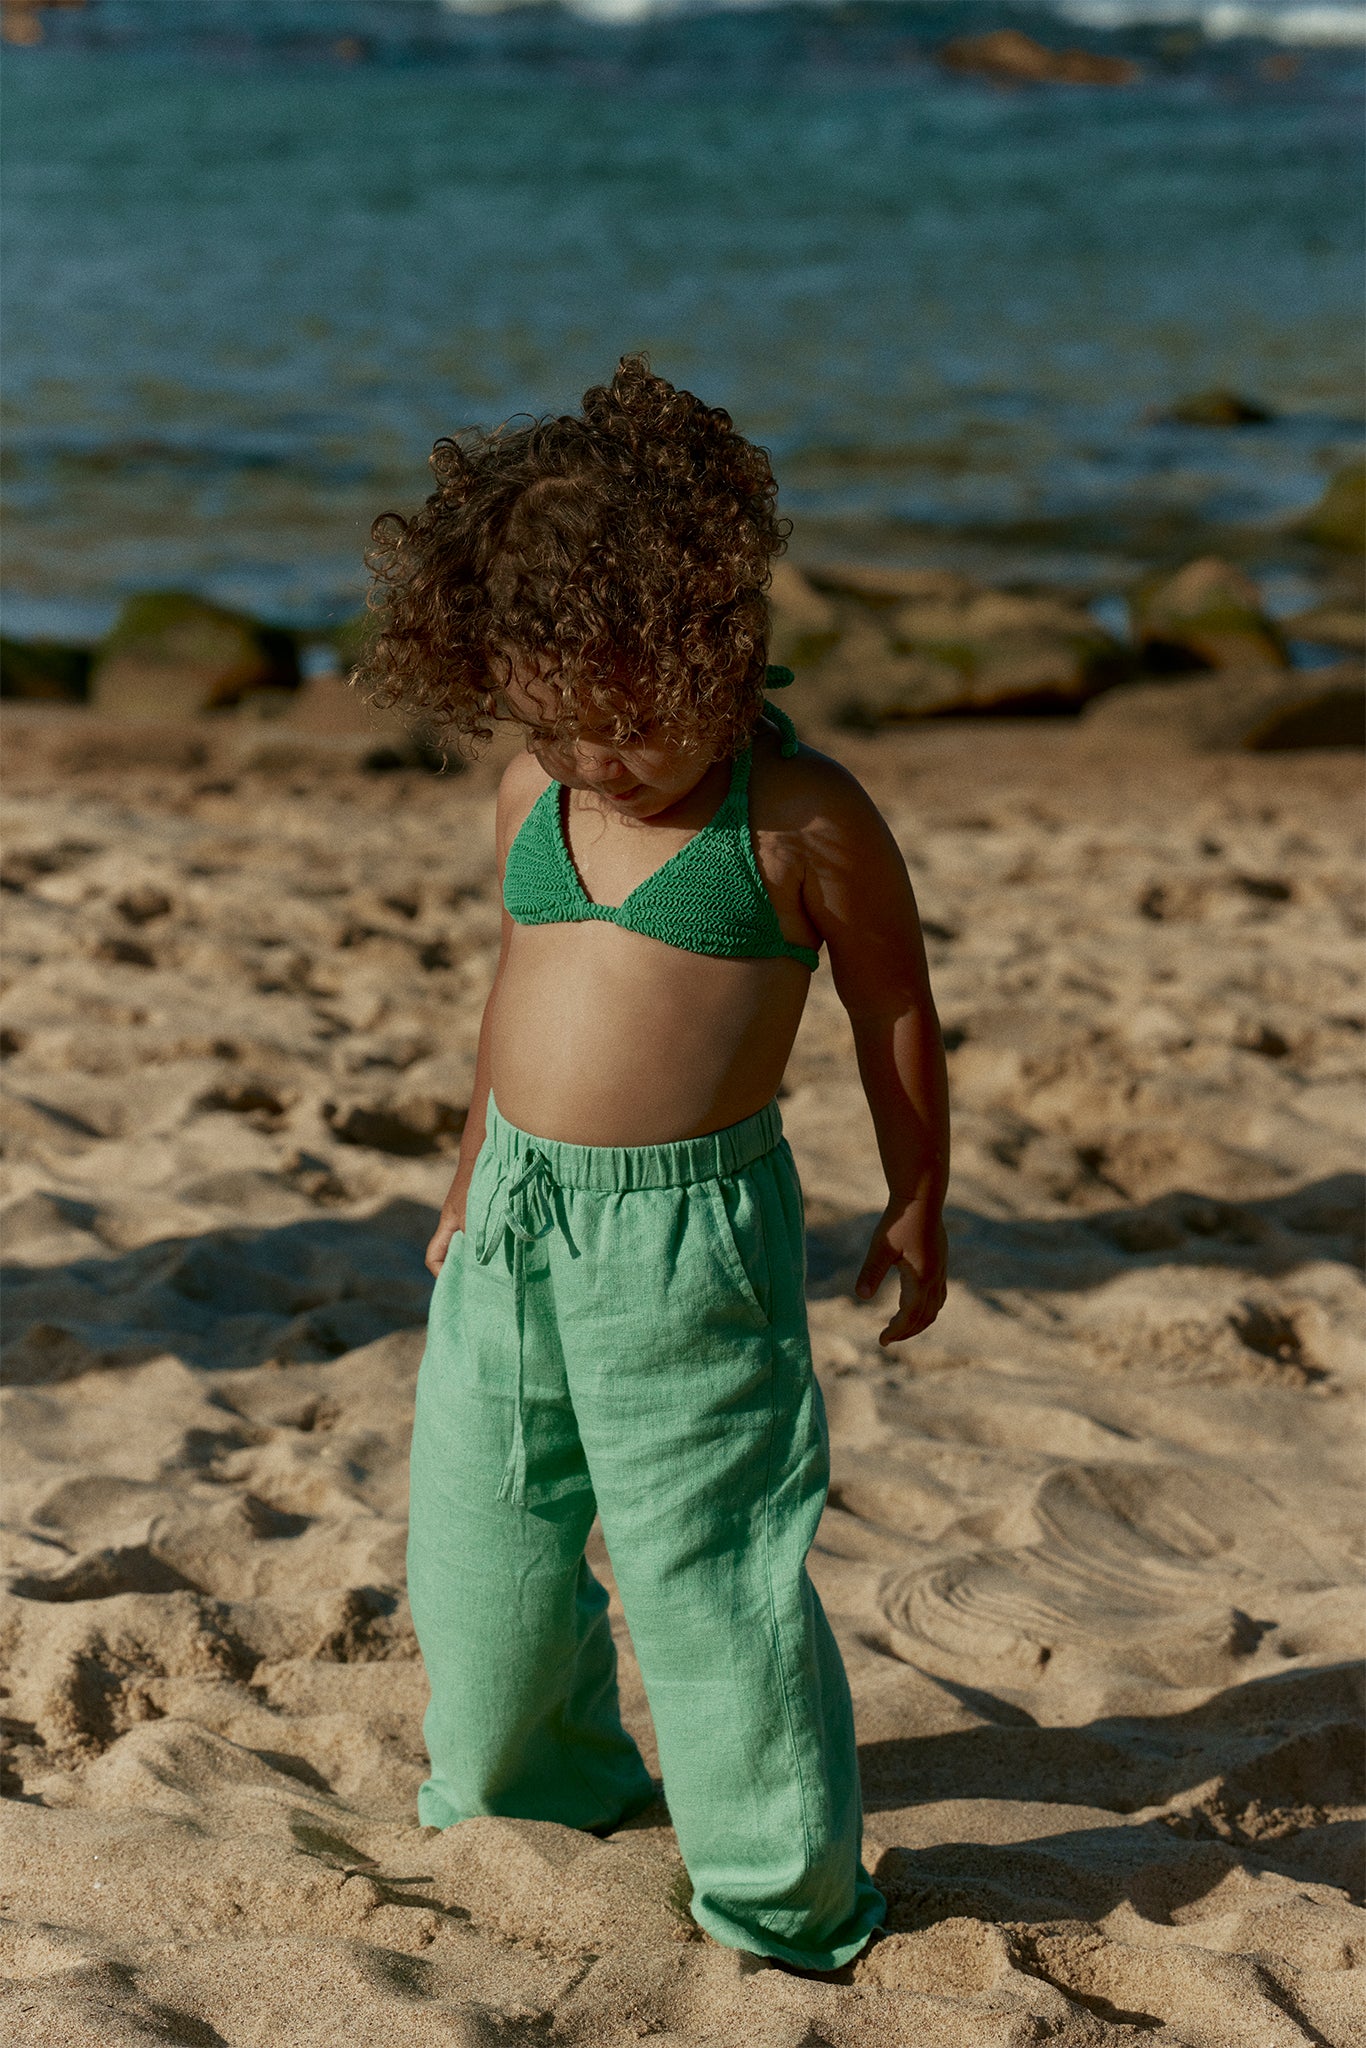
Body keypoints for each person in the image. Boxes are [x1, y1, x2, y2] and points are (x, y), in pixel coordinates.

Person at [354, 355, 950, 1974]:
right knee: (483, 1529)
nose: (602, 763)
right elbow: (516, 988)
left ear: (724, 646)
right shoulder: (531, 796)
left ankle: (777, 1889)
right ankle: (532, 1787)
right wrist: (472, 1168)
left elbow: (893, 999)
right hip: (513, 1229)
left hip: (687, 1246)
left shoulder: (798, 817)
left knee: (708, 1561)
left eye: (633, 722)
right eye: (559, 725)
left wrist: (915, 1194)